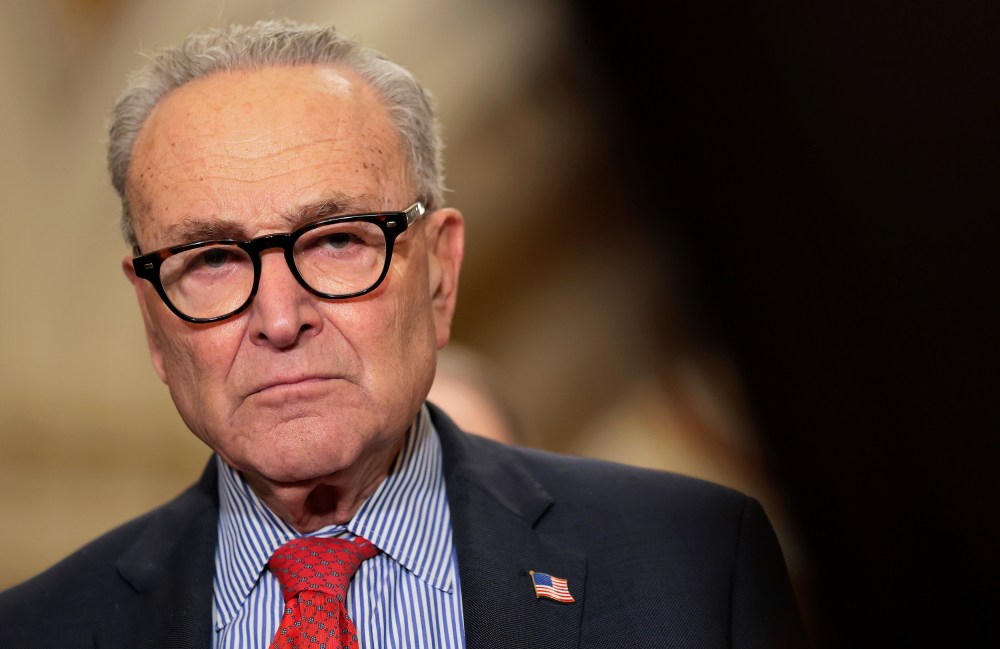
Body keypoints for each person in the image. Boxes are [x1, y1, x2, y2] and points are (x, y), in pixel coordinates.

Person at [0, 19, 808, 648]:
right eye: (211, 259)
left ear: (440, 273)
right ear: (153, 315)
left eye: (338, 240)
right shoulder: (41, 630)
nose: (280, 320)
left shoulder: (694, 561)